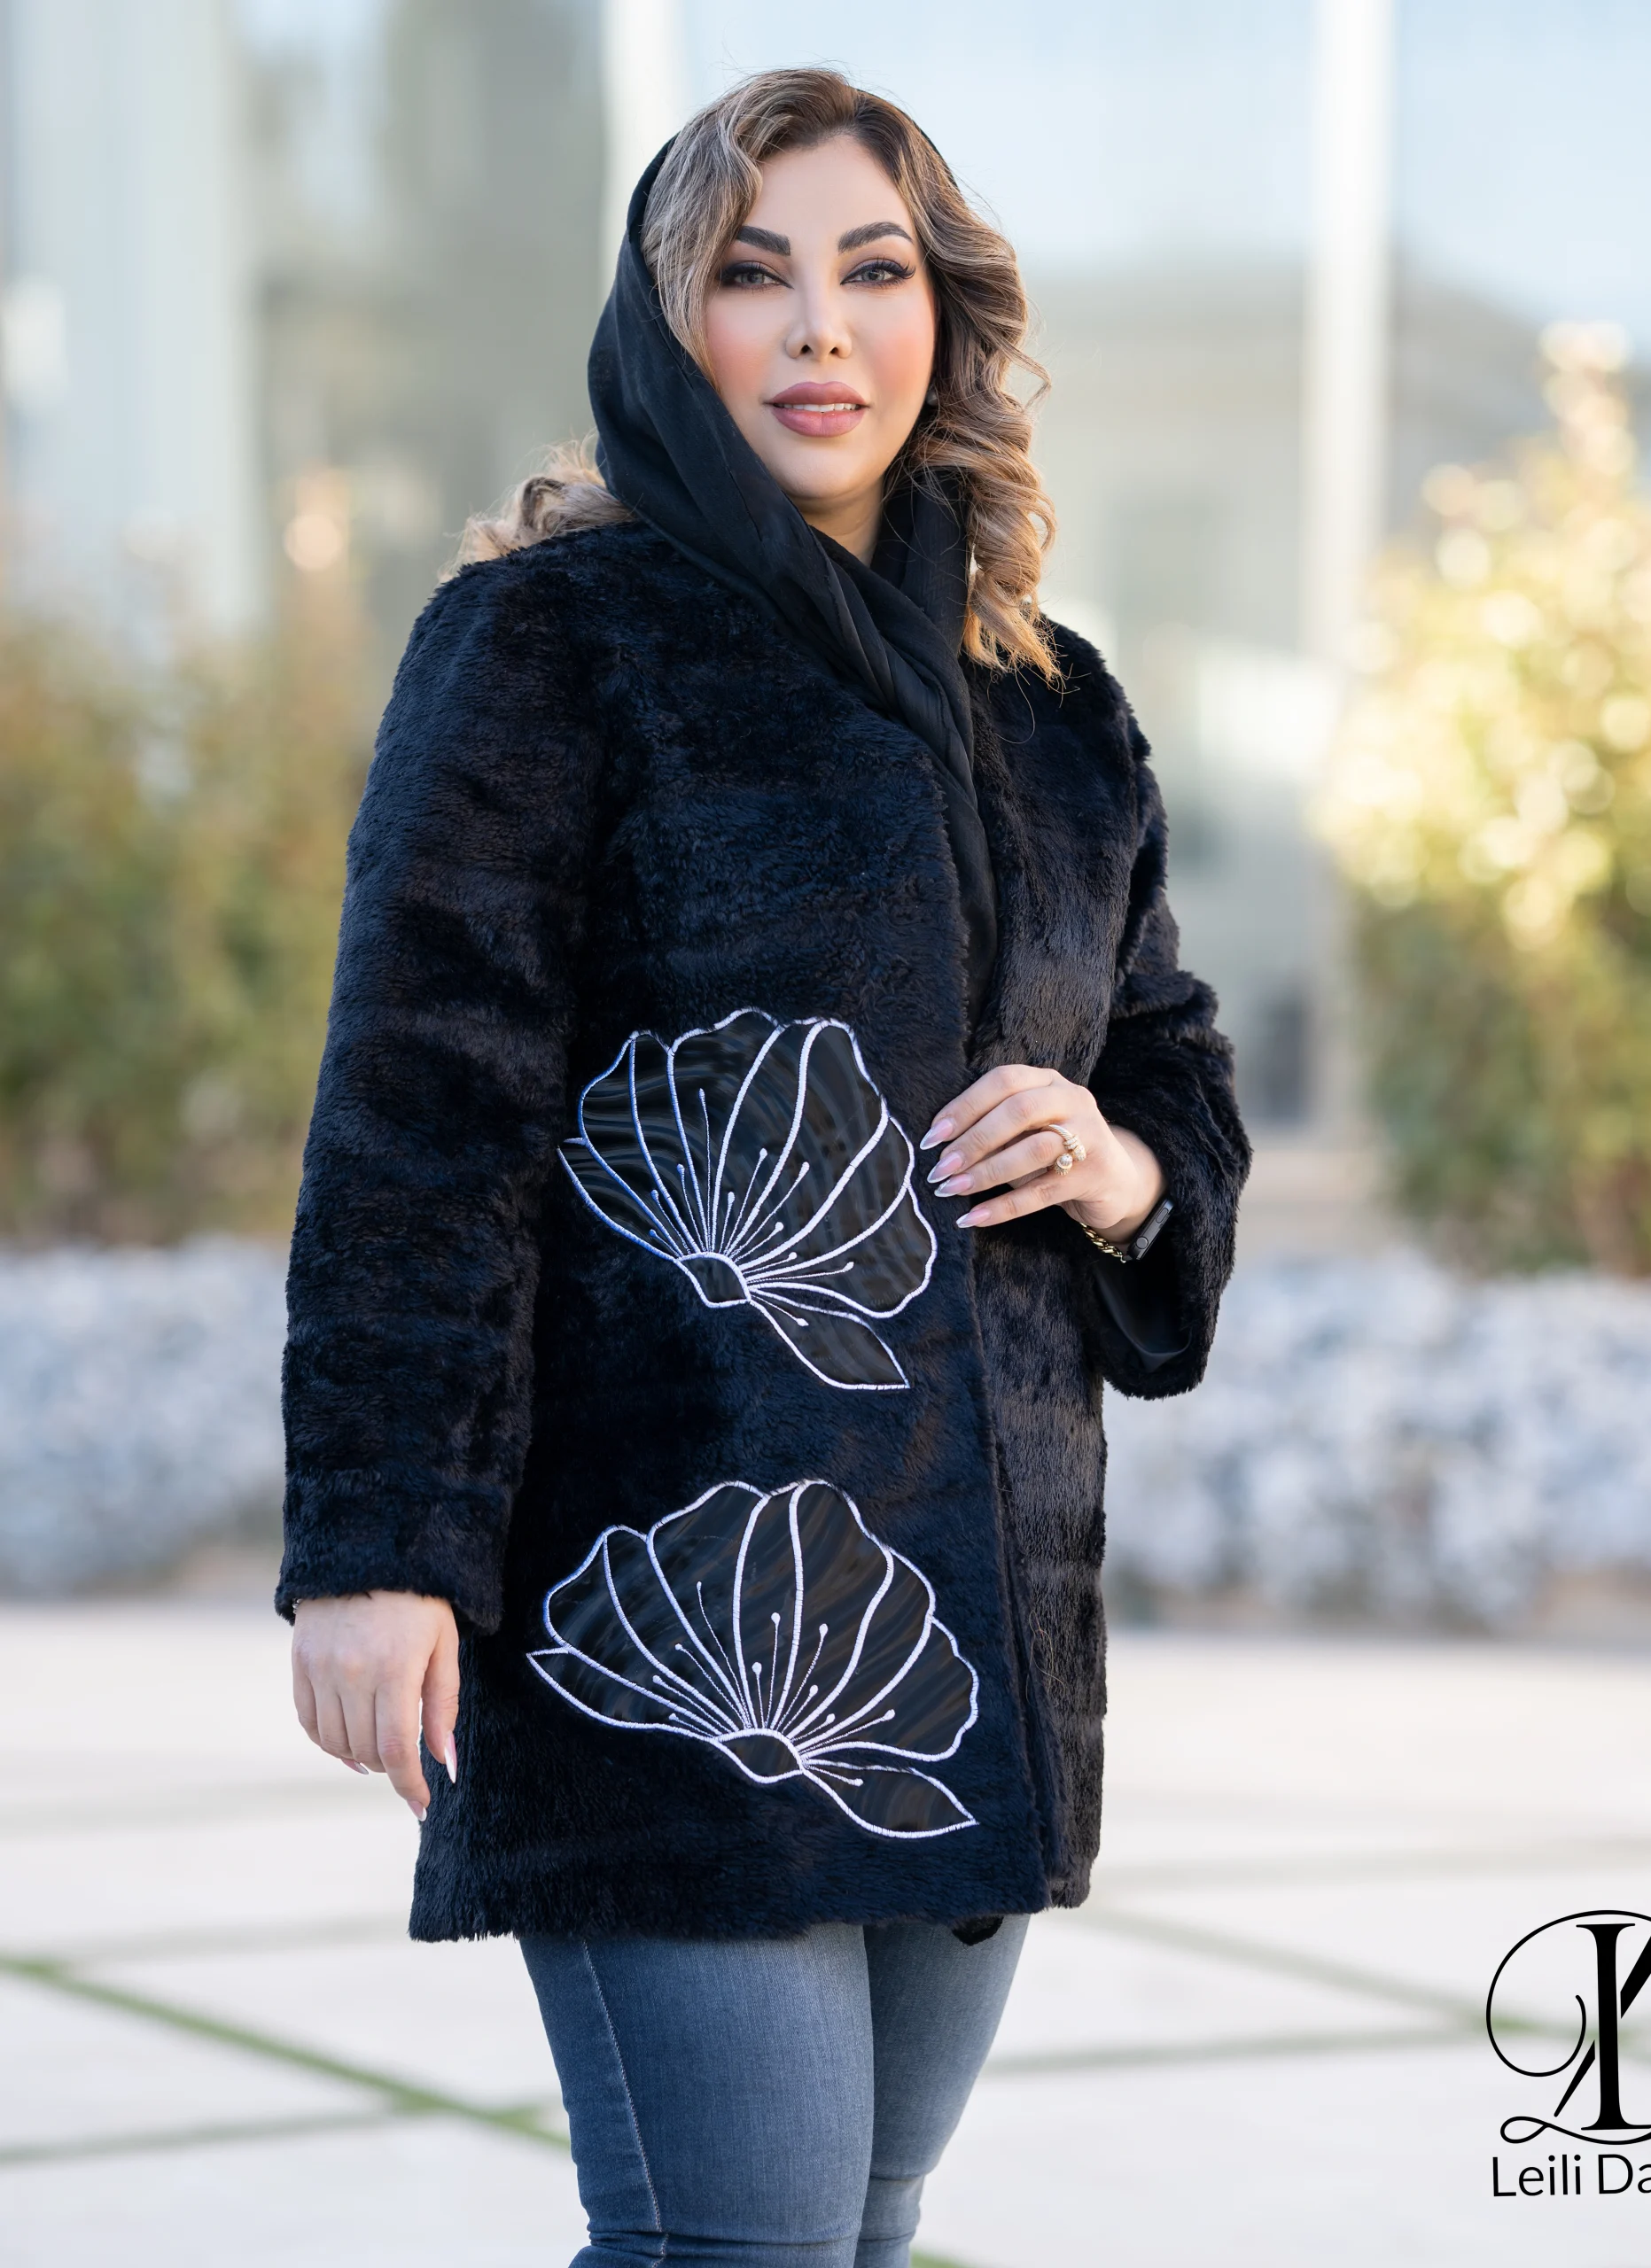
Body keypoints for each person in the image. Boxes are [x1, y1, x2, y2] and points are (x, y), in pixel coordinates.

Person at [282, 66, 1249, 2268]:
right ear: (669, 322)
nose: (821, 325)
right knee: (737, 2238)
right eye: (753, 271)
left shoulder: (1053, 705)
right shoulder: (547, 643)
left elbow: (1172, 1058)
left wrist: (1119, 1163)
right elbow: (422, 1109)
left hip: (965, 1621)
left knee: (866, 2224)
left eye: (872, 270)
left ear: (944, 316)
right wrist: (377, 1543)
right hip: (654, 1582)